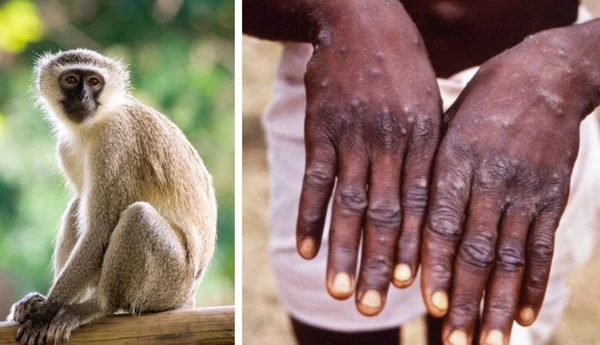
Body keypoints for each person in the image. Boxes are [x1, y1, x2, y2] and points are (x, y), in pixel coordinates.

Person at [243, 1, 600, 344]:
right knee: (336, 314)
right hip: (347, 82)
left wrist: (574, 64)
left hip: (535, 109)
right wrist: (341, 10)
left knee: (486, 323)